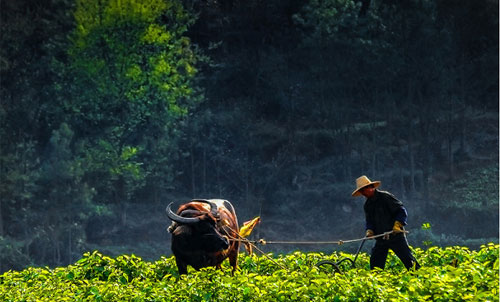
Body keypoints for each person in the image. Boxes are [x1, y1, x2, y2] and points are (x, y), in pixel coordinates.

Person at [352, 175, 420, 270]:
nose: (363, 193)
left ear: (371, 188)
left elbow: (401, 210)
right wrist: (369, 230)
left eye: (364, 190)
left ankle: (420, 276)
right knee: (375, 264)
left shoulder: (385, 197)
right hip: (381, 238)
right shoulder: (367, 205)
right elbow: (369, 221)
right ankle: (378, 282)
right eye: (361, 191)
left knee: (409, 261)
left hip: (395, 236)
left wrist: (398, 224)